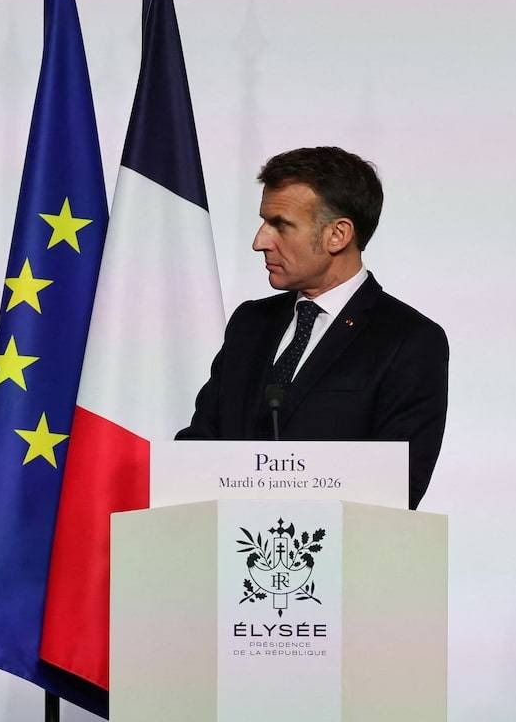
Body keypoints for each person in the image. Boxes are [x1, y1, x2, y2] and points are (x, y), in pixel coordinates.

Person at [177, 146, 449, 509]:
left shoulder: (409, 340)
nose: (259, 242)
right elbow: (198, 448)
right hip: (222, 540)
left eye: (280, 225)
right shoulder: (250, 324)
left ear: (338, 234)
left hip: (336, 544)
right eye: (264, 222)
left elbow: (397, 487)